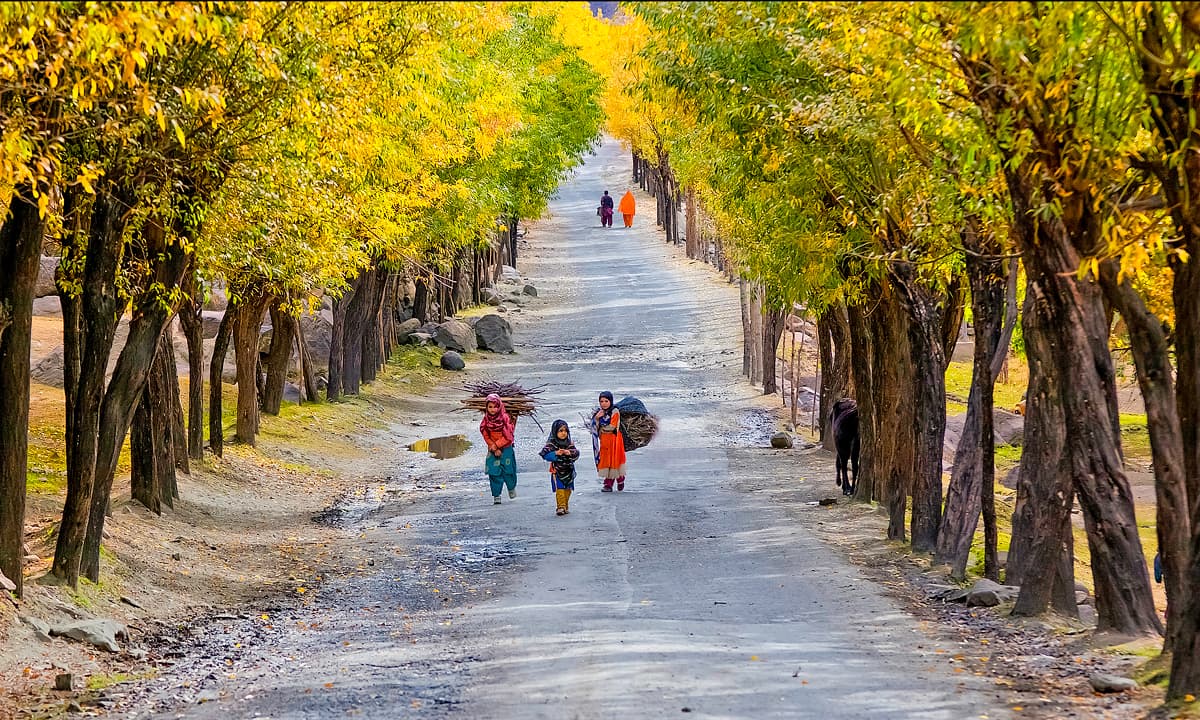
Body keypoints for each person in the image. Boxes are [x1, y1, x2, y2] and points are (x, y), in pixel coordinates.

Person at [480, 393, 517, 504]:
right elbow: (485, 433)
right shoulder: (486, 420)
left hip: (506, 448)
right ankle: (496, 495)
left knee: (508, 471)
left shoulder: (505, 418)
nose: (493, 409)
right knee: (494, 472)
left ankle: (511, 488)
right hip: (492, 449)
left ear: (499, 406)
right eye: (490, 407)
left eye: (495, 407)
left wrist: (497, 446)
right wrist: (493, 447)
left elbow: (508, 436)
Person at [540, 420, 580, 515]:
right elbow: (545, 455)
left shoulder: (569, 443)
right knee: (560, 489)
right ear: (555, 431)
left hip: (569, 471)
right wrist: (555, 453)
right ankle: (560, 506)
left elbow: (576, 454)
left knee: (568, 489)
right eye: (560, 431)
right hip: (557, 471)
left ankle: (565, 505)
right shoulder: (551, 444)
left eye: (565, 431)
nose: (563, 433)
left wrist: (569, 453)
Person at [592, 391, 627, 492]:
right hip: (604, 441)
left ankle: (610, 483)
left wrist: (603, 429)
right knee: (607, 461)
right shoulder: (599, 412)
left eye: (606, 401)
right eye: (601, 401)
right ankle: (615, 481)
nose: (603, 403)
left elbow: (613, 426)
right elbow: (595, 426)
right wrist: (597, 418)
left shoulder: (615, 411)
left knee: (614, 460)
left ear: (610, 401)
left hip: (614, 440)